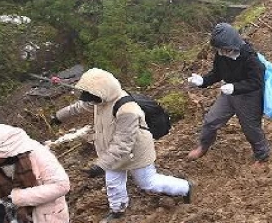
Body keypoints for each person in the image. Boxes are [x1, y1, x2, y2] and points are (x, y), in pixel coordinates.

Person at [51, 68, 192, 222]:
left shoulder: (127, 109)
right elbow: (79, 107)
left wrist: (101, 165)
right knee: (113, 182)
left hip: (136, 151)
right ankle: (118, 209)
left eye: (91, 97)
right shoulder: (99, 100)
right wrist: (58, 116)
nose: (89, 101)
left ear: (102, 92)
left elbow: (123, 143)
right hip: (112, 151)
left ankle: (185, 187)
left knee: (148, 183)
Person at [186, 23, 271, 167]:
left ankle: (262, 155)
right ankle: (203, 146)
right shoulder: (221, 55)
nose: (222, 53)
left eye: (225, 49)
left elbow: (256, 82)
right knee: (211, 120)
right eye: (220, 50)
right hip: (228, 94)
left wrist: (235, 87)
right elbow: (217, 73)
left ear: (234, 45)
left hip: (249, 96)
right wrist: (203, 81)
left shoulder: (251, 59)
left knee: (251, 127)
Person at [0, 124, 70, 223]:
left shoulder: (38, 154)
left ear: (7, 149)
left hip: (36, 213)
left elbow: (61, 186)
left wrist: (18, 197)